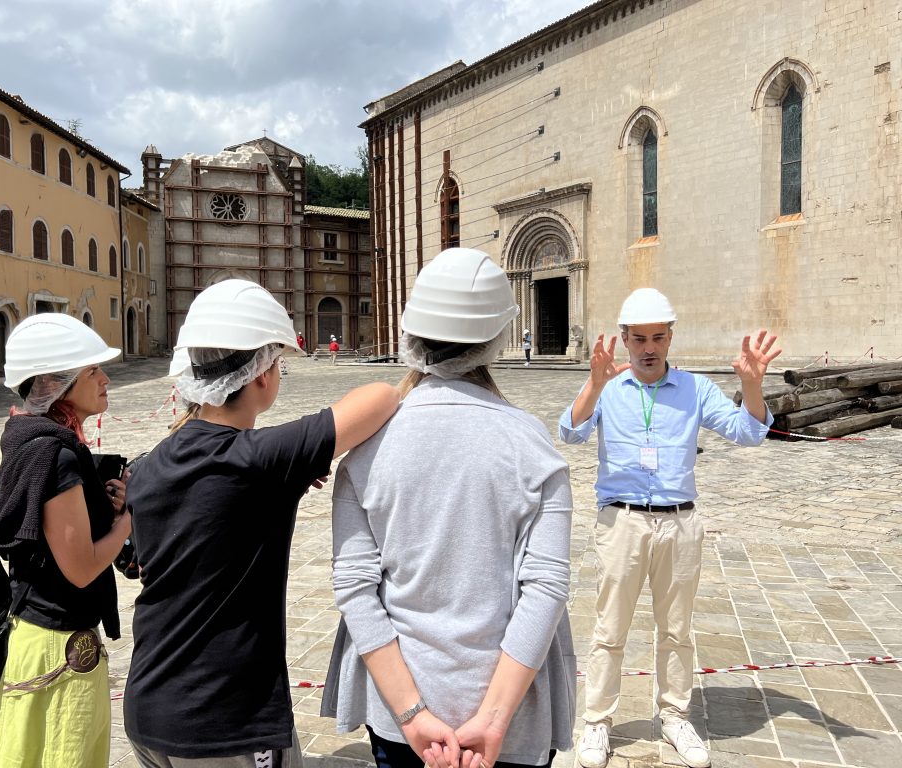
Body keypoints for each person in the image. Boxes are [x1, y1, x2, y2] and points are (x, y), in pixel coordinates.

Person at [123, 279, 399, 768]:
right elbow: (381, 396)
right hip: (224, 721)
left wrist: (286, 471)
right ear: (262, 376)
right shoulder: (260, 460)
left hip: (149, 709)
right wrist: (286, 464)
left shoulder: (150, 465)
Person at [321, 248, 576, 768]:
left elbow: (356, 590)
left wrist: (413, 715)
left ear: (411, 337)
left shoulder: (365, 449)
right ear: (498, 338)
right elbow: (545, 589)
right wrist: (495, 719)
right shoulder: (533, 444)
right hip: (511, 720)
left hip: (402, 718)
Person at [558, 288, 781, 768]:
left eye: (658, 336)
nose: (648, 347)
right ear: (624, 339)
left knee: (676, 629)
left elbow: (749, 433)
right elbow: (570, 432)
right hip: (621, 521)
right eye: (638, 338)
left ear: (671, 336)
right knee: (609, 628)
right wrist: (593, 385)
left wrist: (754, 386)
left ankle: (675, 716)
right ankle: (596, 722)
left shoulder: (695, 389)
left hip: (680, 523)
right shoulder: (609, 387)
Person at [0, 313, 132, 768]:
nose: (105, 379)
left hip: (33, 636)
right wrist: (126, 523)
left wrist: (105, 508)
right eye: (93, 370)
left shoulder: (26, 439)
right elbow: (81, 568)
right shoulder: (56, 457)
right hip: (57, 650)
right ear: (56, 383)